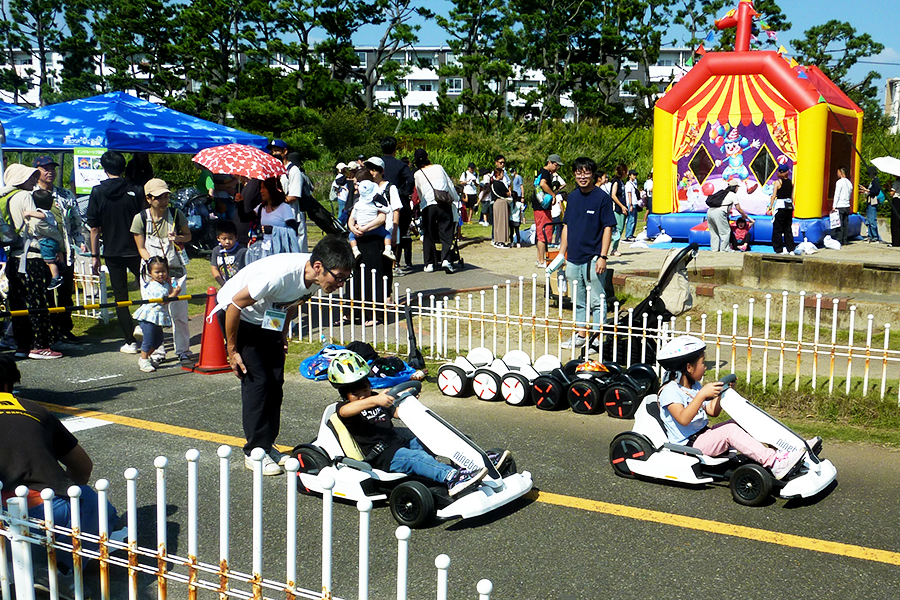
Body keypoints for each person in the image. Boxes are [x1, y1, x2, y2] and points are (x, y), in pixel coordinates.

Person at [214, 235, 355, 475]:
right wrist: (232, 350)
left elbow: (292, 302)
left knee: (276, 381)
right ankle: (254, 452)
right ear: (319, 267)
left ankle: (267, 445)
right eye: (339, 278)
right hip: (240, 318)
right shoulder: (278, 275)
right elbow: (234, 305)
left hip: (268, 321)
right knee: (259, 383)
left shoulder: (314, 279)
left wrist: (281, 334)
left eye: (345, 278)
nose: (341, 284)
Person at [0, 354, 120, 581]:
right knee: (95, 504)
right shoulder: (34, 410)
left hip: (3, 525)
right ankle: (61, 573)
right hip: (47, 515)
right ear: (8, 383)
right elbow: (82, 466)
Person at [328, 351, 490, 497]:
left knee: (435, 435)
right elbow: (346, 411)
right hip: (384, 457)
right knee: (417, 458)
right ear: (345, 395)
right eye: (355, 394)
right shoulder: (346, 409)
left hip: (399, 444)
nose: (362, 396)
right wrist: (374, 400)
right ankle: (452, 478)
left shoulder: (377, 397)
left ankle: (473, 462)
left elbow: (397, 412)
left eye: (365, 390)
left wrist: (407, 399)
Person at [655, 336, 805, 480]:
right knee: (730, 431)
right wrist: (702, 395)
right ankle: (774, 463)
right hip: (689, 444)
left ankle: (782, 452)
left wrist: (722, 392)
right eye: (703, 363)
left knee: (742, 420)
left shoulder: (694, 386)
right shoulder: (670, 391)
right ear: (689, 367)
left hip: (703, 436)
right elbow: (683, 419)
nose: (705, 367)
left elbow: (712, 411)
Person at [87, 151, 146, 354]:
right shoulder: (136, 190)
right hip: (138, 249)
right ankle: (146, 329)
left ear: (104, 169)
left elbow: (94, 228)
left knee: (121, 296)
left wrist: (95, 256)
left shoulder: (97, 192)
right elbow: (145, 220)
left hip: (111, 250)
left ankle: (130, 340)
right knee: (147, 291)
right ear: (123, 168)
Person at [130, 178, 193, 366]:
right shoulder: (140, 218)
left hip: (175, 269)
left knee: (180, 313)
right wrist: (153, 267)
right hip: (152, 273)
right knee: (154, 313)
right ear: (149, 198)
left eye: (166, 196)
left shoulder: (176, 213)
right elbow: (140, 247)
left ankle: (183, 350)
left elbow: (188, 236)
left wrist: (178, 237)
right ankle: (158, 351)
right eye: (159, 197)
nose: (164, 201)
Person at [4, 164, 64, 359]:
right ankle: (39, 345)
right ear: (20, 179)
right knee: (37, 302)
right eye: (30, 177)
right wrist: (56, 235)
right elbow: (37, 226)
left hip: (14, 256)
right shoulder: (24, 196)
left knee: (18, 303)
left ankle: (23, 345)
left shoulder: (6, 196)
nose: (33, 181)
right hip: (31, 256)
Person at [556, 157, 616, 350]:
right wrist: (561, 254)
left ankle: (598, 339)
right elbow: (566, 226)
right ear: (574, 174)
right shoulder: (572, 197)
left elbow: (608, 227)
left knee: (598, 300)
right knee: (578, 300)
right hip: (573, 257)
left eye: (587, 172)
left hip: (593, 258)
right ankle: (581, 334)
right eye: (579, 172)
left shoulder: (602, 198)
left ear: (593, 174)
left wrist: (603, 256)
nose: (583, 176)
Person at [32, 155, 85, 345]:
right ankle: (49, 332)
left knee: (65, 293)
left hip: (66, 252)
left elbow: (76, 221)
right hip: (43, 254)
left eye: (52, 168)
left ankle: (65, 329)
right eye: (45, 168)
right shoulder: (31, 195)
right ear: (36, 171)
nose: (50, 172)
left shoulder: (65, 194)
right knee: (46, 294)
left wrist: (80, 242)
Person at [412, 148, 459, 273]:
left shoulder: (417, 174)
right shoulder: (438, 167)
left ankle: (429, 263)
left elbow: (420, 192)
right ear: (427, 156)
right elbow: (449, 185)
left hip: (428, 205)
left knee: (428, 234)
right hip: (443, 203)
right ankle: (446, 260)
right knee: (446, 232)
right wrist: (455, 198)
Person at [133, 256, 179, 373]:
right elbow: (164, 300)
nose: (161, 274)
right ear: (150, 273)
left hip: (157, 316)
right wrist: (175, 293)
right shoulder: (154, 286)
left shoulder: (163, 284)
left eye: (163, 271)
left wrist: (171, 285)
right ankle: (144, 359)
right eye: (157, 272)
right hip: (149, 316)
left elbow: (169, 291)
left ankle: (145, 357)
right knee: (148, 339)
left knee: (158, 340)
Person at [23, 188, 65, 290]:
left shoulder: (43, 212)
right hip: (52, 240)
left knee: (49, 261)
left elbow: (41, 216)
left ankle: (56, 278)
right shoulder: (50, 212)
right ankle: (62, 264)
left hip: (46, 241)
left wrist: (29, 213)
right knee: (57, 252)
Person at [348, 177, 395, 260]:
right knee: (387, 234)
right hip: (375, 230)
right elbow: (387, 211)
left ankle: (355, 250)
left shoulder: (357, 205)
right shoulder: (376, 204)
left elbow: (352, 217)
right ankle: (388, 250)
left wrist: (354, 229)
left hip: (359, 229)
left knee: (351, 236)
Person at [707, 182, 753, 252]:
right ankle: (724, 249)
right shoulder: (732, 195)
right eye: (737, 187)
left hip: (710, 212)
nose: (737, 189)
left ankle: (714, 249)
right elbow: (738, 208)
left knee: (714, 232)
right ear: (735, 187)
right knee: (725, 232)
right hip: (719, 212)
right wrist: (744, 215)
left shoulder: (722, 192)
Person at [535, 154, 563, 267]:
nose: (557, 168)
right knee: (543, 234)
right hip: (542, 207)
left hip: (540, 207)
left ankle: (540, 259)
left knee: (542, 233)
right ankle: (541, 260)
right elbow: (542, 184)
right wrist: (552, 194)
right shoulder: (546, 173)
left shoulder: (542, 172)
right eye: (556, 165)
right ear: (550, 162)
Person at [768, 163, 796, 254]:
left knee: (777, 229)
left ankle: (778, 249)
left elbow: (773, 196)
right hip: (788, 206)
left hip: (780, 206)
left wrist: (770, 207)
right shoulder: (790, 183)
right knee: (788, 228)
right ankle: (791, 249)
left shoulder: (778, 182)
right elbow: (792, 197)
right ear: (787, 172)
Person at [210, 220, 247, 285]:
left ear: (236, 237)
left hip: (240, 285)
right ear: (218, 238)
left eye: (230, 238)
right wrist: (222, 283)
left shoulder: (242, 251)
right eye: (224, 239)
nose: (227, 242)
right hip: (224, 284)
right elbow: (214, 268)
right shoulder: (216, 251)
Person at [859, 166, 883, 243]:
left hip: (873, 202)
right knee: (869, 220)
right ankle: (870, 235)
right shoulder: (873, 181)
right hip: (870, 201)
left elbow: (875, 191)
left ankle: (875, 236)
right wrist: (866, 190)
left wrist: (866, 190)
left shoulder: (876, 181)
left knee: (872, 220)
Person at [608, 164, 628, 257]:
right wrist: (621, 206)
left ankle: (614, 248)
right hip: (617, 208)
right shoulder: (616, 182)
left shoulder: (622, 182)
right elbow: (613, 195)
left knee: (620, 229)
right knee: (617, 230)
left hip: (623, 208)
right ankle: (613, 249)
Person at [832, 166, 853, 246]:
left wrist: (834, 205)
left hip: (840, 205)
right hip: (846, 205)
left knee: (839, 224)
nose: (837, 174)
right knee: (845, 224)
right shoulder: (849, 183)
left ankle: (839, 239)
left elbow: (836, 194)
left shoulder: (839, 182)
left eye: (838, 172)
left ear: (841, 173)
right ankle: (845, 239)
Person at [624, 169, 640, 241]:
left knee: (634, 219)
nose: (635, 176)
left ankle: (631, 234)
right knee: (631, 219)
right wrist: (630, 204)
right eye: (633, 175)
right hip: (631, 203)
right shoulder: (628, 184)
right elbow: (629, 194)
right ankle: (628, 235)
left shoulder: (634, 183)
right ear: (630, 175)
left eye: (635, 175)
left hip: (635, 202)